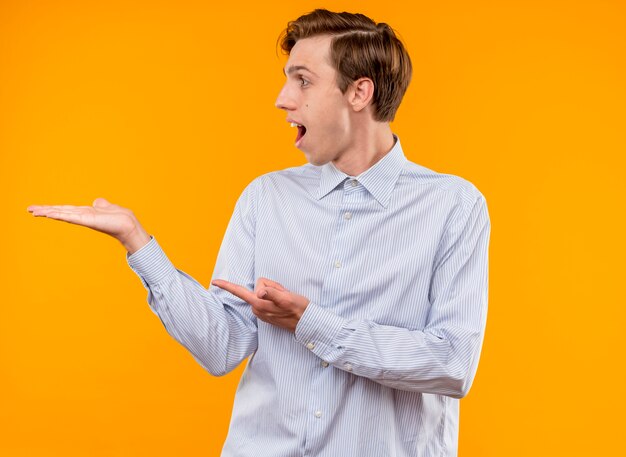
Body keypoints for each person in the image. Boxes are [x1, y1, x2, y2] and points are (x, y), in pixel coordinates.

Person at [28, 9, 490, 457]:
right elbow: (222, 346)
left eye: (303, 80)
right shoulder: (266, 197)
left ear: (359, 93)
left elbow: (452, 364)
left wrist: (310, 322)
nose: (282, 99)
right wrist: (138, 243)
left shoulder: (453, 206)